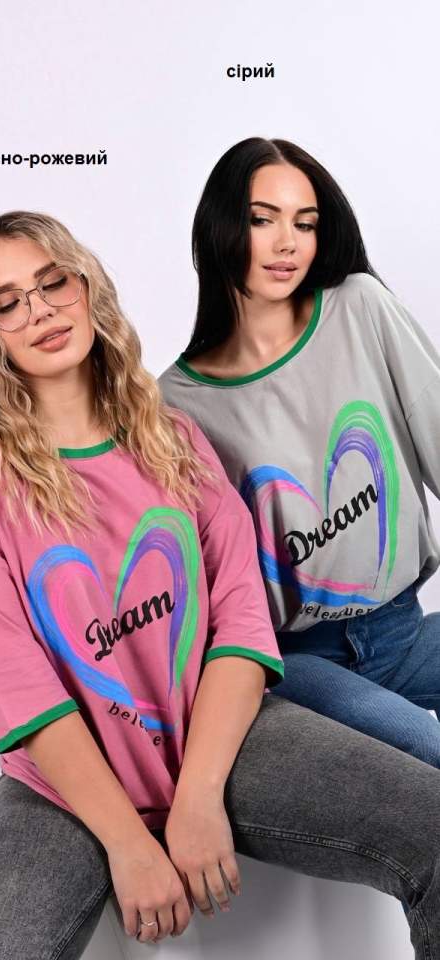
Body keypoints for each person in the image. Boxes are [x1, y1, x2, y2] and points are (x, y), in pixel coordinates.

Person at [0, 211, 440, 960]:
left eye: (53, 283)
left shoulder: (174, 437)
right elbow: (16, 685)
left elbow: (241, 622)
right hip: (63, 785)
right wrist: (129, 843)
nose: (40, 311)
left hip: (222, 740)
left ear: (86, 287)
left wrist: (196, 800)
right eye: (8, 302)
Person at [159, 136, 440, 769]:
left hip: (401, 627)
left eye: (305, 223)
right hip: (300, 662)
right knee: (426, 751)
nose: (288, 242)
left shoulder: (361, 308)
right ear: (221, 227)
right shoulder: (173, 405)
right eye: (263, 220)